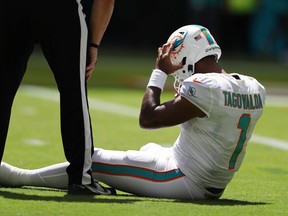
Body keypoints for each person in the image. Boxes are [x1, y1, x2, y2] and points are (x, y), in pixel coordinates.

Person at [0, 25, 266, 200]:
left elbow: (147, 117)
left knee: (94, 160)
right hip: (213, 181)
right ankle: (128, 175)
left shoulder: (204, 87)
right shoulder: (255, 87)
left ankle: (19, 177)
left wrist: (159, 72)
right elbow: (216, 117)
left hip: (185, 179)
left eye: (174, 58)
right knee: (150, 148)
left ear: (186, 55)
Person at [0, 0, 114, 195]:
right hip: (59, 8)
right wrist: (93, 44)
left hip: (10, 7)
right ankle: (81, 178)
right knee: (74, 92)